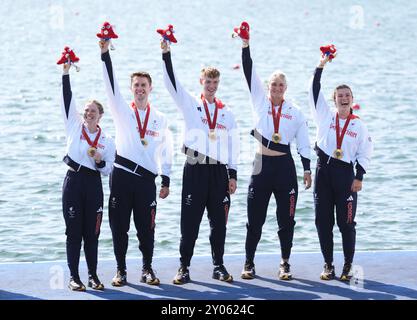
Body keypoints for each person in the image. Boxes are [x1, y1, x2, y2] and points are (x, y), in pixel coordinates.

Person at [161, 39, 239, 284]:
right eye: (208, 82)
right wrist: (166, 53)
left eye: (216, 82)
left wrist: (233, 174)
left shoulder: (227, 113)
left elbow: (233, 146)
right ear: (201, 82)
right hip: (194, 168)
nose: (212, 86)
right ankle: (184, 267)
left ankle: (219, 266)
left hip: (218, 172)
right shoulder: (191, 104)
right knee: (190, 222)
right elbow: (171, 84)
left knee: (219, 223)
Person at [238, 33, 312, 281]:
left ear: (286, 88)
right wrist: (246, 45)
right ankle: (249, 262)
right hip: (261, 165)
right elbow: (248, 71)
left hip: (285, 167)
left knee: (286, 219)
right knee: (254, 219)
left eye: (281, 85)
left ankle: (285, 263)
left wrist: (307, 169)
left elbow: (303, 142)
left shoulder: (295, 112)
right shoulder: (259, 100)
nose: (277, 88)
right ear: (267, 87)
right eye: (273, 84)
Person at [100, 39, 173, 286]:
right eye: (136, 85)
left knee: (147, 229)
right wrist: (104, 53)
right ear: (131, 89)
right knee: (120, 228)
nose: (139, 88)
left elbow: (166, 150)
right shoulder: (122, 110)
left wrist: (166, 178)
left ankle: (147, 269)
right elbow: (110, 86)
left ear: (151, 88)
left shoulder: (160, 118)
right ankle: (120, 270)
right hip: (121, 176)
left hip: (146, 181)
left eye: (143, 85)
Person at [308, 52, 373, 281]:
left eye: (347, 95)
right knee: (322, 221)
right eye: (340, 95)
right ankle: (328, 265)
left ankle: (347, 265)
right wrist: (321, 65)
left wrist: (359, 177)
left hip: (345, 175)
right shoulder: (324, 116)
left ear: (351, 99)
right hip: (323, 171)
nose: (344, 98)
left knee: (346, 223)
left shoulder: (359, 126)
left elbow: (365, 153)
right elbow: (314, 90)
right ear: (334, 99)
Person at [61, 62, 115, 291]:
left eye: (93, 110)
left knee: (92, 233)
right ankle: (74, 277)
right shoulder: (74, 126)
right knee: (73, 232)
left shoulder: (108, 141)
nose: (88, 113)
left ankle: (93, 276)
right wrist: (65, 73)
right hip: (73, 181)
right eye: (87, 110)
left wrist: (101, 160)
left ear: (100, 116)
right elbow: (67, 100)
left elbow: (109, 169)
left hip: (93, 184)